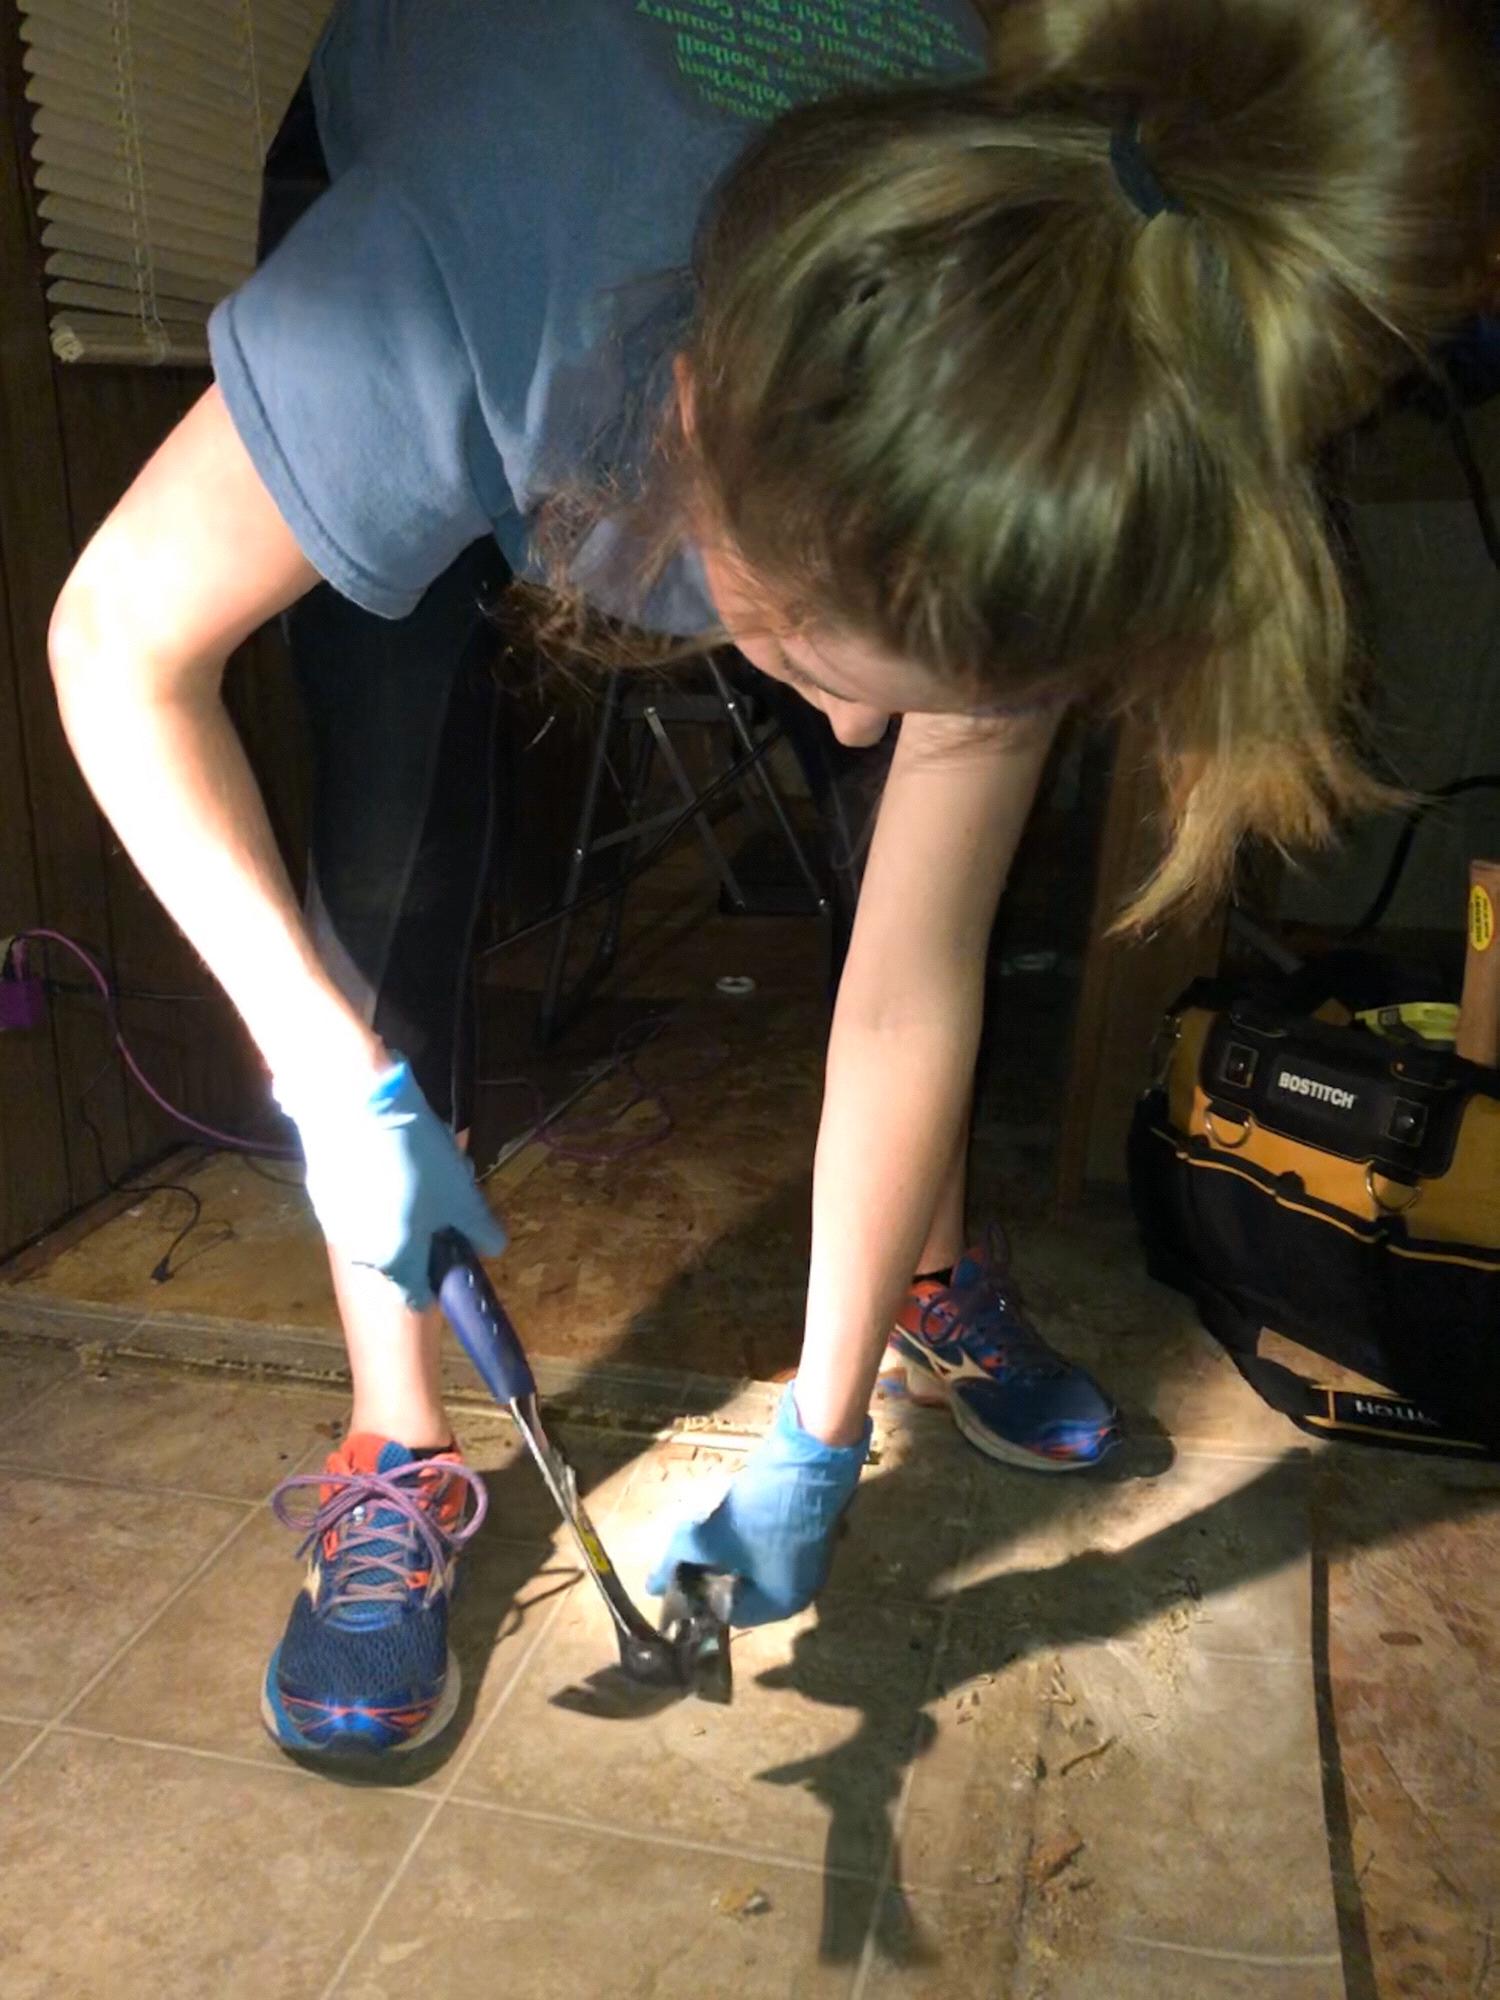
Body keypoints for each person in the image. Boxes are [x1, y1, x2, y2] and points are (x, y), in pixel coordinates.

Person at [47, 0, 1481, 1762]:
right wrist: (334, 1080)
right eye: (813, 643)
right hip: (481, 151)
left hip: (800, 316)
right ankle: (395, 1445)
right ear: (691, 418)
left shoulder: (1050, 393)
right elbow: (116, 641)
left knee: (895, 844)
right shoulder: (438, 283)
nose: (867, 727)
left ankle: (923, 1284)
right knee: (388, 836)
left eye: (923, 686)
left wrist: (815, 1441)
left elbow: (910, 976)